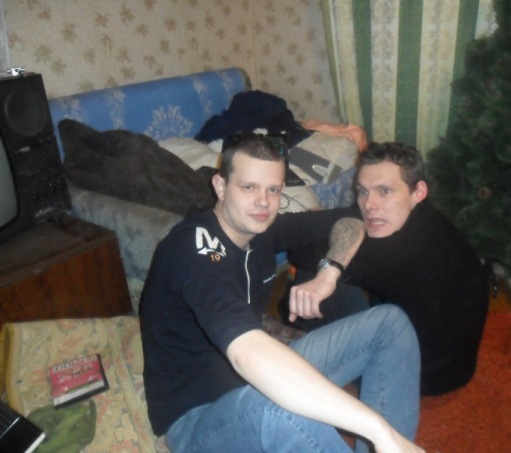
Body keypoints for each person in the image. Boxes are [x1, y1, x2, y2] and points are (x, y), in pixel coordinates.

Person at [139, 132, 424, 453]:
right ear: (220, 186)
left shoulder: (260, 229)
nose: (263, 202)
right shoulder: (195, 250)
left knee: (389, 324)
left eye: (273, 190)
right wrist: (378, 430)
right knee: (280, 413)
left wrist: (329, 273)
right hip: (197, 418)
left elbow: (352, 219)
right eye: (248, 187)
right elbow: (247, 352)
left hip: (248, 385)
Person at [285, 142, 489, 396]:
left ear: (418, 191)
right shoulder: (424, 218)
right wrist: (331, 222)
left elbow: (300, 251)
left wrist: (323, 227)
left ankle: (304, 345)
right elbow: (350, 218)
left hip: (416, 376)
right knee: (340, 252)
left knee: (320, 270)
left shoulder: (400, 251)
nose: (369, 204)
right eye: (363, 191)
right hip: (453, 364)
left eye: (385, 191)